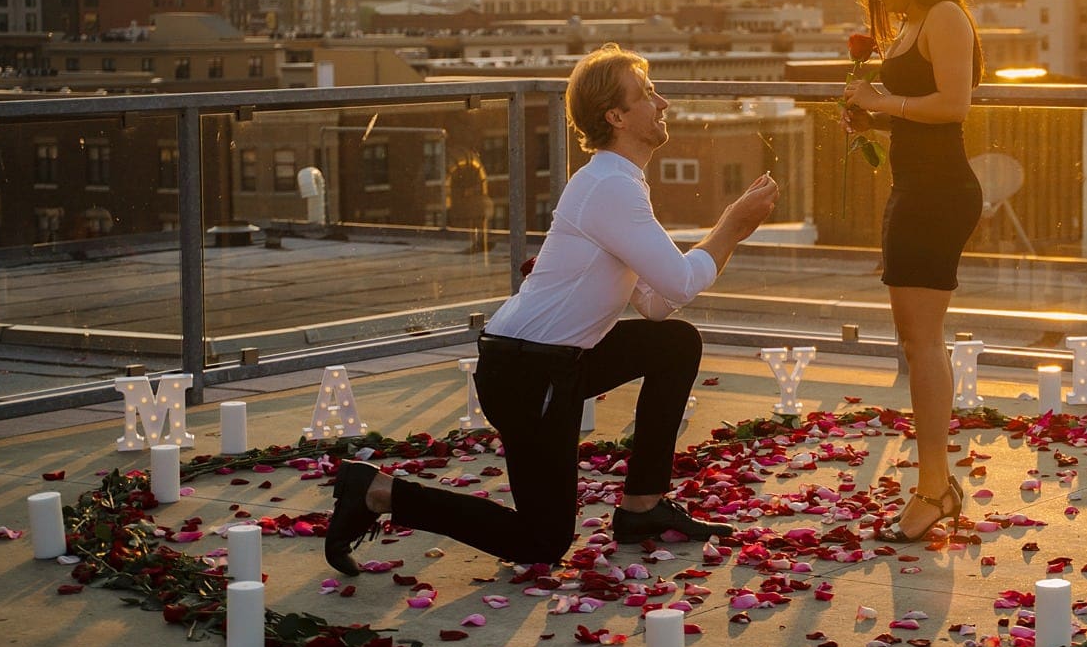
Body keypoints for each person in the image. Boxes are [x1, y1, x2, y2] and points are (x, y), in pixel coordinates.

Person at [325, 44, 780, 573]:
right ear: (615, 116)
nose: (663, 101)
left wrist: (727, 232)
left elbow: (656, 306)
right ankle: (378, 492)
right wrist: (732, 225)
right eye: (647, 93)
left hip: (555, 363)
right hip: (527, 375)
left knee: (674, 344)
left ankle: (642, 507)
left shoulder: (614, 182)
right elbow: (680, 283)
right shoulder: (610, 187)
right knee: (541, 542)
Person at [841, 0, 984, 543]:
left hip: (939, 193)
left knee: (922, 343)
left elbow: (955, 107)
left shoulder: (946, 17)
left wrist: (884, 104)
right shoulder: (913, 25)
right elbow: (920, 113)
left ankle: (935, 488)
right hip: (912, 190)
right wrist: (875, 123)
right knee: (914, 340)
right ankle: (934, 482)